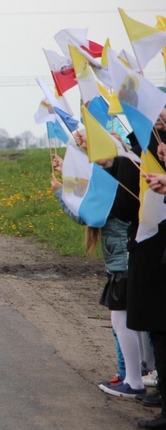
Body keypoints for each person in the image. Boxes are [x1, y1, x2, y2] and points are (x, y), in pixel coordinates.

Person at [50, 152, 145, 399]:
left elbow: (86, 211)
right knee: (127, 323)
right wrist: (65, 172)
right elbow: (86, 188)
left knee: (122, 323)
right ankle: (133, 374)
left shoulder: (114, 184)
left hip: (122, 262)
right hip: (123, 260)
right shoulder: (113, 179)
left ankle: (131, 378)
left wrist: (61, 192)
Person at [111, 108, 166, 429]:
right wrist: (116, 160)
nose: (159, 118)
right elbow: (125, 206)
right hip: (149, 251)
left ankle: (137, 377)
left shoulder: (148, 144)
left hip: (154, 252)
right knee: (157, 329)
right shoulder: (144, 145)